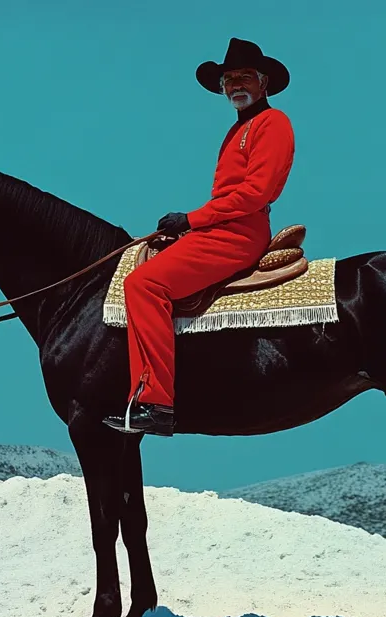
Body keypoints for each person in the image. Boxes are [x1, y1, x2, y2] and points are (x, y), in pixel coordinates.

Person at [103, 38, 296, 436]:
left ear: (264, 83)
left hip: (239, 232)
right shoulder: (236, 130)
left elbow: (257, 192)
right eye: (228, 80)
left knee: (144, 284)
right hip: (220, 227)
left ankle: (155, 402)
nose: (234, 86)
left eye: (243, 77)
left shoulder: (273, 123)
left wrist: (192, 219)